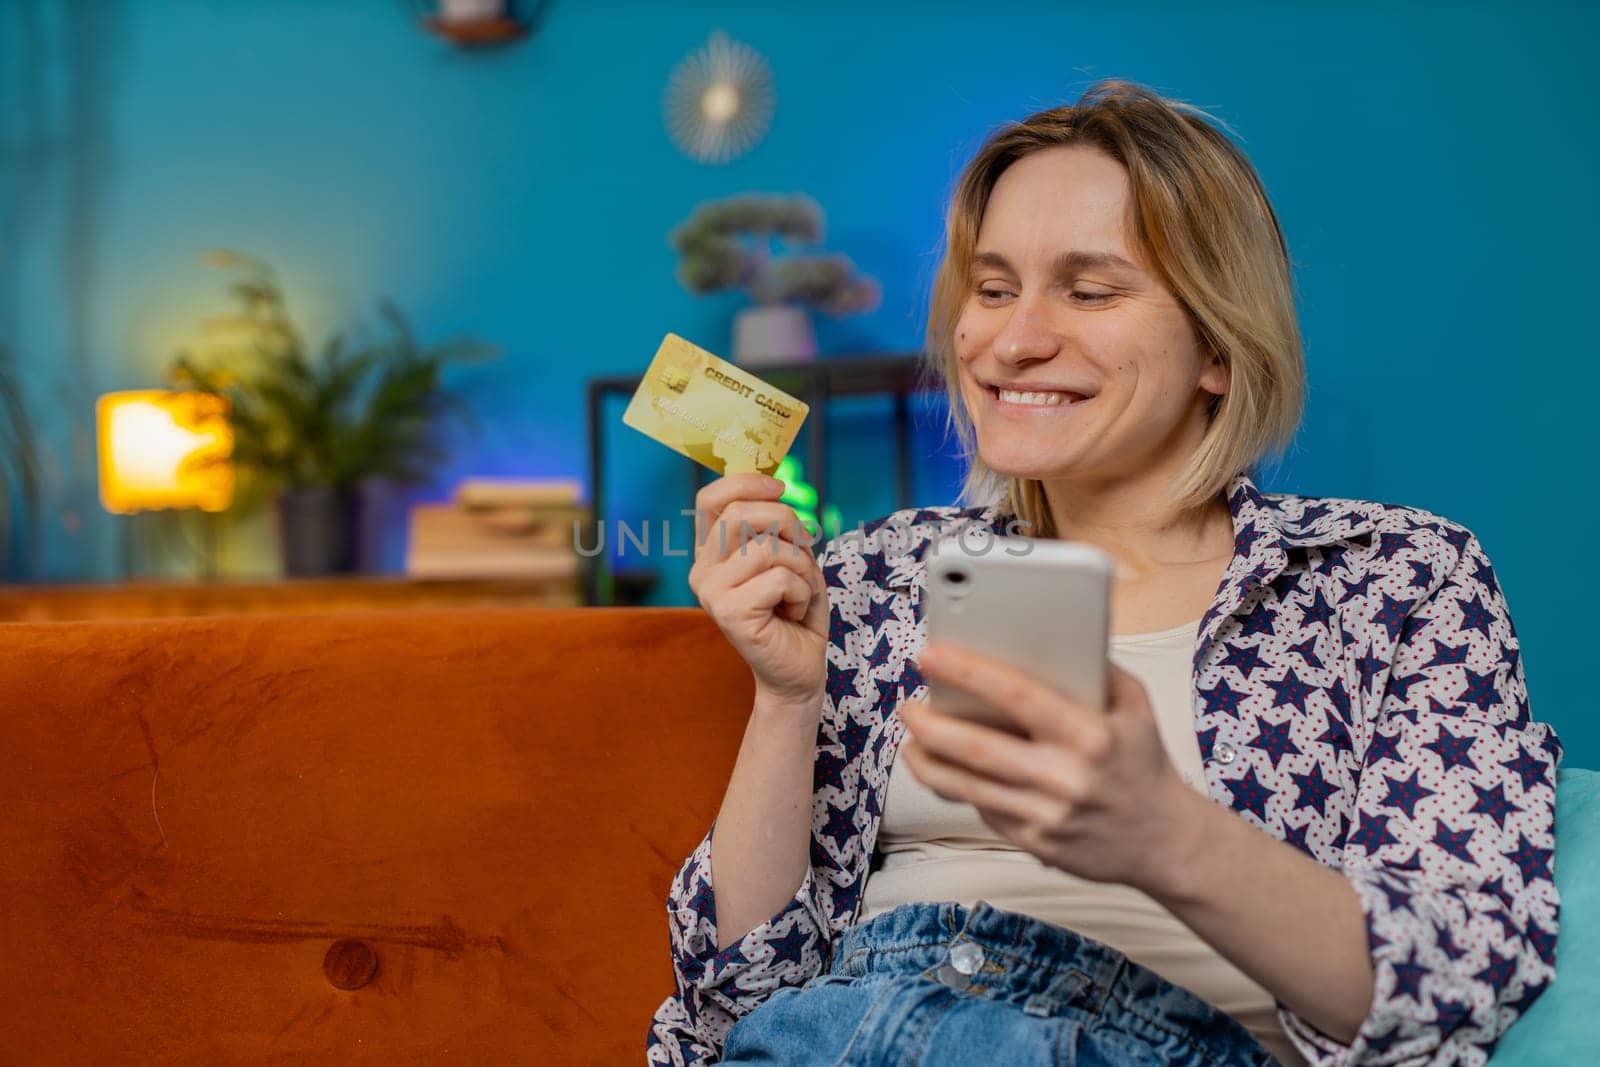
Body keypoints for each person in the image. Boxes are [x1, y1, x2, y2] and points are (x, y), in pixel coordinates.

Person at [646, 78, 1563, 1067]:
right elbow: (736, 999)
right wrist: (788, 700)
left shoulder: (1394, 580)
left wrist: (1164, 833)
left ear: (1217, 341)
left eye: (1088, 291)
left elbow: (1452, 986)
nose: (1013, 339)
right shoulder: (871, 574)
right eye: (992, 289)